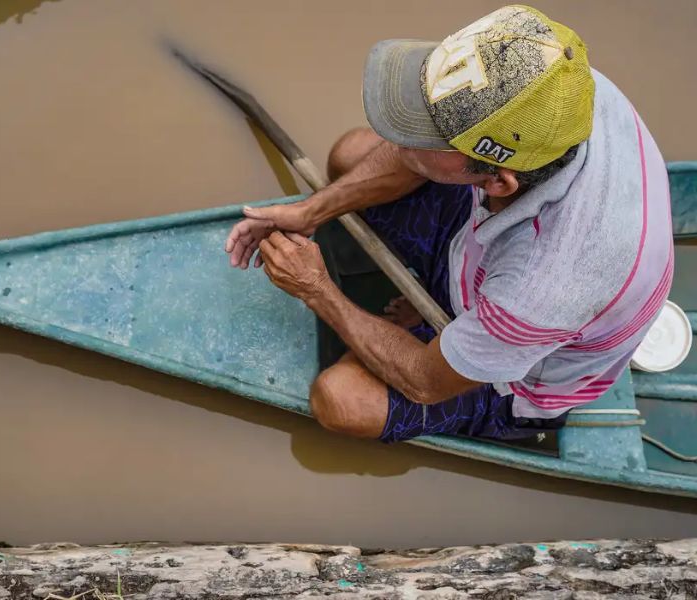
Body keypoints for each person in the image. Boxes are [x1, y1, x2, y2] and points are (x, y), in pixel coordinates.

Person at [224, 5, 673, 444]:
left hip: (515, 378)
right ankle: (450, 293)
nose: (402, 140)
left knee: (340, 400)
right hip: (484, 252)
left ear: (497, 181)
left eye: (427, 137)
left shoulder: (543, 289)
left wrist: (316, 289)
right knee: (350, 154)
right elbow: (408, 151)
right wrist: (312, 212)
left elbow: (425, 382)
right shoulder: (554, 87)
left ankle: (462, 330)